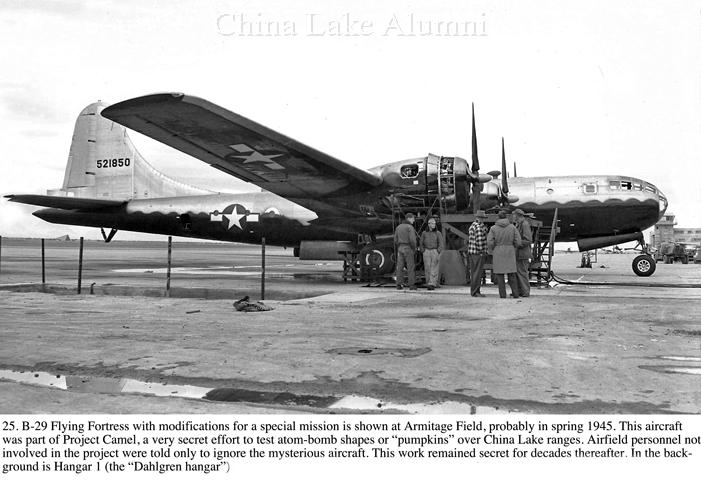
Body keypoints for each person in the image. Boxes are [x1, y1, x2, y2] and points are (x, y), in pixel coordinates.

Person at [487, 210, 521, 299]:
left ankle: (502, 295)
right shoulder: (512, 227)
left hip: (498, 251)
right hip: (510, 251)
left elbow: (490, 242)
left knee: (500, 275)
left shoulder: (493, 228)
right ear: (506, 217)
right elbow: (518, 241)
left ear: (498, 217)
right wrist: (514, 247)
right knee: (512, 274)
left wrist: (494, 248)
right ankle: (515, 294)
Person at [467, 210, 488, 297]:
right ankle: (476, 291)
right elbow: (479, 241)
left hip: (472, 252)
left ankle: (474, 291)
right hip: (478, 253)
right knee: (477, 273)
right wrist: (482, 251)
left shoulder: (472, 226)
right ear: (481, 218)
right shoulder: (479, 228)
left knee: (474, 272)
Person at [512, 208, 532, 297]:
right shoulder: (519, 224)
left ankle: (525, 292)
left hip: (522, 254)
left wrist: (517, 243)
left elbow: (528, 240)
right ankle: (520, 291)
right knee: (518, 273)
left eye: (514, 215)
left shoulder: (524, 224)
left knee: (522, 273)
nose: (513, 217)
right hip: (519, 254)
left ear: (517, 215)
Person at [394, 212, 418, 290]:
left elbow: (395, 240)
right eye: (413, 218)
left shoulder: (398, 227)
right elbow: (412, 240)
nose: (414, 220)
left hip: (400, 248)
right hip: (408, 248)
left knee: (400, 267)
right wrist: (414, 248)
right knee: (410, 266)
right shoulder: (410, 227)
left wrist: (400, 245)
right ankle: (411, 285)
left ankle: (399, 284)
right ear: (409, 218)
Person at [419, 217, 444, 290]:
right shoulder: (424, 233)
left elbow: (441, 243)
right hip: (426, 251)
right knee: (427, 267)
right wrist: (423, 250)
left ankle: (433, 283)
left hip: (434, 251)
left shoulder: (438, 233)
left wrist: (438, 251)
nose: (434, 225)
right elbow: (421, 242)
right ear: (429, 224)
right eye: (432, 223)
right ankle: (428, 282)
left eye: (434, 223)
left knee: (434, 267)